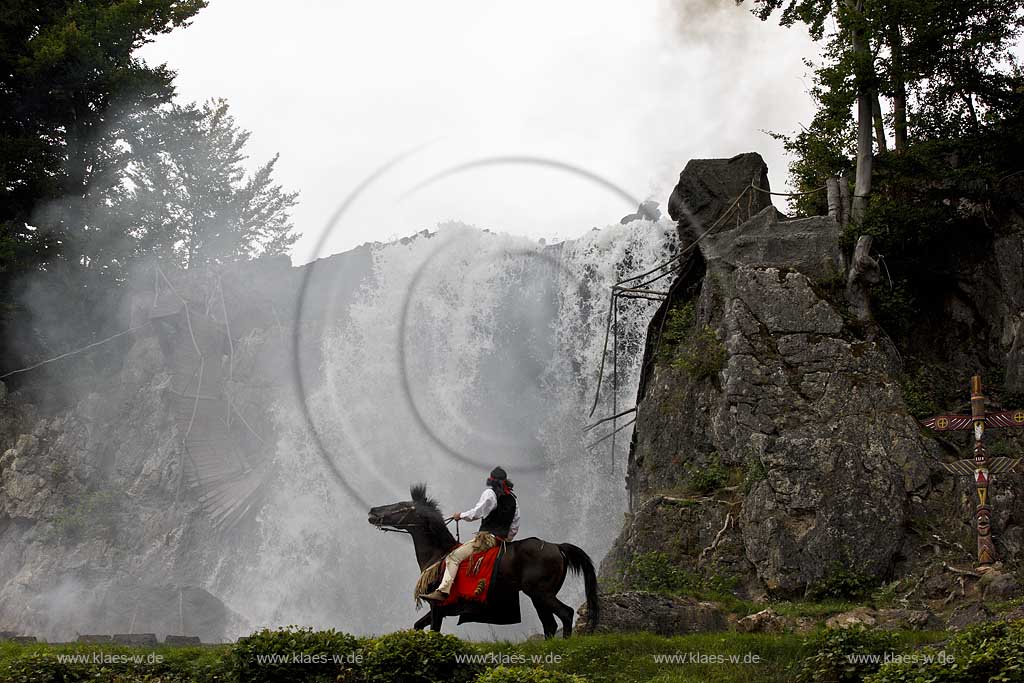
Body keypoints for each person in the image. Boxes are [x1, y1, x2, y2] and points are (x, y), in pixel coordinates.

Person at [419, 466, 519, 603]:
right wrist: (505, 539)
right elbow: (514, 526)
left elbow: (477, 513)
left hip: (487, 539)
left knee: (453, 557)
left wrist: (460, 515)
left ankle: (442, 591)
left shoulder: (490, 494)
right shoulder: (513, 499)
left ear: (491, 480)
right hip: (501, 541)